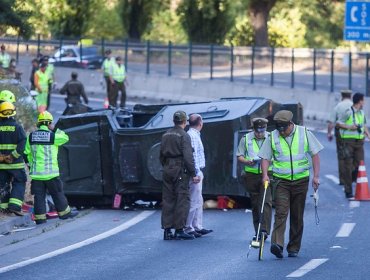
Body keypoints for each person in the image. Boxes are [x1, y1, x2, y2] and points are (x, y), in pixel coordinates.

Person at [258, 110, 323, 258]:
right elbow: (265, 158)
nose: (281, 132)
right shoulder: (272, 136)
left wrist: (316, 176)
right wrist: (265, 175)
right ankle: (277, 244)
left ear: (291, 124)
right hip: (281, 181)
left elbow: (315, 154)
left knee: (297, 214)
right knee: (281, 212)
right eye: (278, 128)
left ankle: (293, 247)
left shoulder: (304, 133)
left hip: (301, 180)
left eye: (284, 129)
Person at [24, 111, 79, 224]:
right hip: (50, 174)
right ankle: (64, 214)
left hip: (37, 175)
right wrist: (55, 129)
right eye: (51, 123)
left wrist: (30, 165)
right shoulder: (52, 136)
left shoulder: (31, 136)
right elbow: (65, 138)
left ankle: (40, 219)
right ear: (48, 123)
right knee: (57, 193)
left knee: (39, 197)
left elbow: (26, 153)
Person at [159, 110, 199, 240]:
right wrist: (193, 173)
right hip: (180, 168)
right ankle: (179, 229)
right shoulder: (184, 135)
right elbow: (188, 156)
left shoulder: (166, 134)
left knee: (168, 199)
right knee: (182, 198)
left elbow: (161, 155)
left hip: (167, 168)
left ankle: (167, 230)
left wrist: (167, 166)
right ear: (184, 121)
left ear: (174, 121)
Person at [237, 117, 272, 241]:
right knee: (256, 204)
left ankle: (264, 230)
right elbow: (239, 155)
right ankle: (257, 231)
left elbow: (278, 155)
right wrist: (246, 161)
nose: (260, 134)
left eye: (262, 131)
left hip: (268, 174)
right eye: (257, 131)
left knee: (265, 201)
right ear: (254, 130)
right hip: (251, 175)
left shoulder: (271, 138)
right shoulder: (246, 139)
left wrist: (270, 161)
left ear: (265, 129)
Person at [336, 93, 370, 199]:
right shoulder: (348, 112)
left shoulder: (361, 112)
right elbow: (338, 123)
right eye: (363, 100)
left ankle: (352, 178)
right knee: (347, 165)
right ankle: (348, 191)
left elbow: (363, 125)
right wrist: (349, 127)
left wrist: (368, 134)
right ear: (359, 101)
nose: (364, 102)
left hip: (359, 142)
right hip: (348, 141)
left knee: (359, 165)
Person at [185, 114, 213, 238]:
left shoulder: (194, 135)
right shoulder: (193, 136)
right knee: (194, 200)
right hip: (195, 173)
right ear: (200, 123)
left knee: (198, 200)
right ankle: (189, 227)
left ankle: (197, 226)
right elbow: (193, 157)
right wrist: (195, 173)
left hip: (196, 171)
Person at [0, 101, 27, 216]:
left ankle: (3, 208)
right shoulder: (18, 127)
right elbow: (23, 143)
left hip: (1, 164)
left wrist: (1, 157)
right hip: (15, 164)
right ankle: (14, 206)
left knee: (3, 184)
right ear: (13, 113)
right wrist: (13, 156)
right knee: (19, 181)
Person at [327, 89, 352, 185]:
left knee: (342, 157)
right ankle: (352, 178)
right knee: (352, 156)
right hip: (354, 134)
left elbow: (331, 122)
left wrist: (329, 133)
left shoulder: (338, 106)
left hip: (341, 134)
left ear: (342, 96)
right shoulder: (355, 106)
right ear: (351, 96)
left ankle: (342, 180)